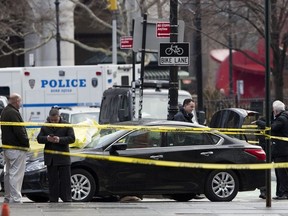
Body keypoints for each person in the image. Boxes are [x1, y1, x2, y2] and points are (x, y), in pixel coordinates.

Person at [37, 107, 75, 202]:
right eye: (52, 120)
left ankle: (67, 198)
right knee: (52, 180)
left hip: (63, 157)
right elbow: (39, 139)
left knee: (65, 180)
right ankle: (53, 199)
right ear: (49, 118)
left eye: (56, 120)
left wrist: (60, 140)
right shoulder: (45, 126)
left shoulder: (67, 125)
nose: (54, 122)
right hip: (51, 159)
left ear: (59, 117)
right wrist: (46, 138)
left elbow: (72, 138)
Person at [1, 93, 30, 203]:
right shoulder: (13, 113)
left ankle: (8, 197)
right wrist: (26, 143)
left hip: (8, 148)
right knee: (16, 174)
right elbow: (19, 131)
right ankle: (16, 199)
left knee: (8, 173)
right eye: (20, 101)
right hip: (16, 148)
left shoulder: (5, 111)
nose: (21, 104)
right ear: (16, 101)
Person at [256, 100, 288, 200]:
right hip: (281, 150)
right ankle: (280, 193)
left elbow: (272, 128)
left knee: (282, 173)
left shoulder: (282, 119)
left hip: (282, 151)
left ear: (275, 110)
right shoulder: (283, 117)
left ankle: (283, 193)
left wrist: (260, 122)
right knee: (280, 173)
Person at [173, 98, 204, 200]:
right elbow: (180, 134)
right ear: (185, 106)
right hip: (182, 149)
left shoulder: (186, 116)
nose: (192, 109)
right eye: (191, 107)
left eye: (193, 107)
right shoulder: (179, 117)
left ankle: (193, 192)